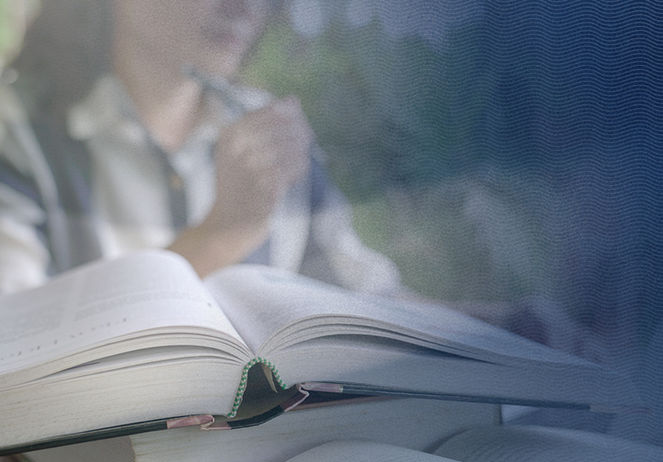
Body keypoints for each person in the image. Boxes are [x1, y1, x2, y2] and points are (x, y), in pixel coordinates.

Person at [0, 0, 401, 295]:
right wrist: (224, 233)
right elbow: (17, 339)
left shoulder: (270, 130)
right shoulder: (14, 132)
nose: (244, 6)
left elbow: (366, 292)